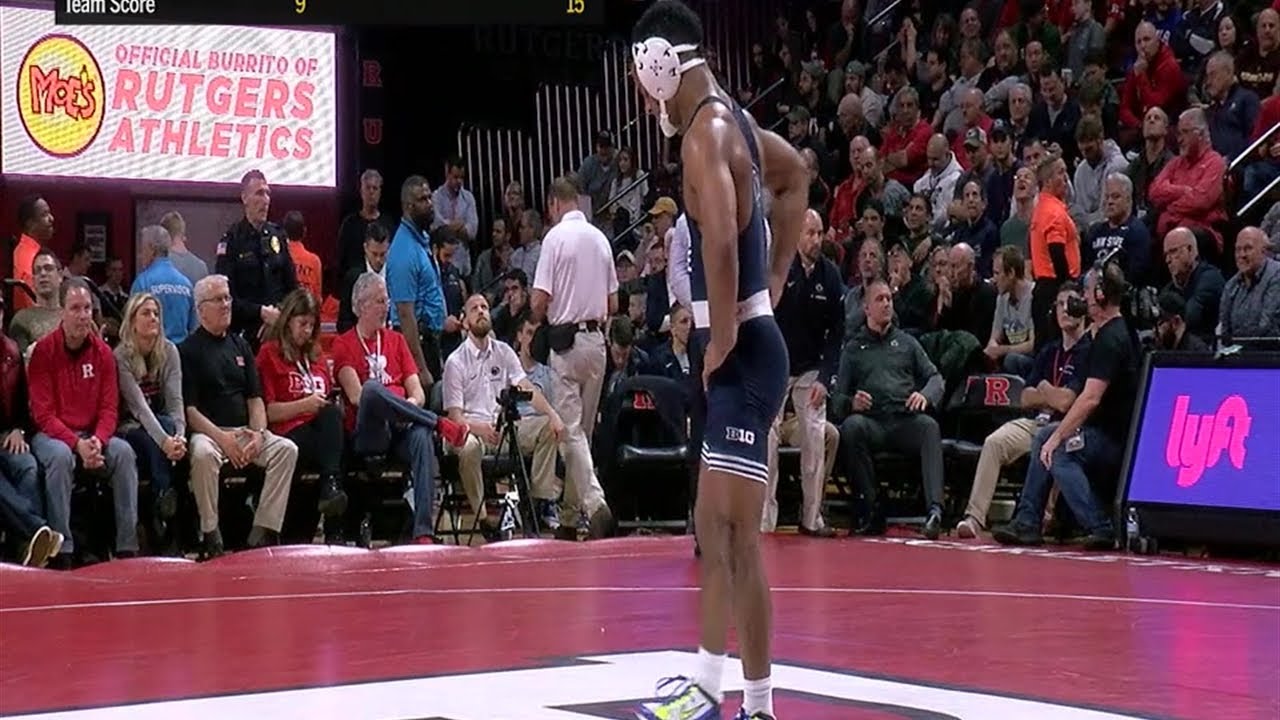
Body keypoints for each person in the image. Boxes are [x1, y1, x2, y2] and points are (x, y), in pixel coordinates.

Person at [631, 2, 809, 718]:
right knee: (714, 530)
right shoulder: (731, 118)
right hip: (746, 341)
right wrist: (779, 279)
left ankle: (759, 705)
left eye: (646, 87)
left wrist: (726, 338)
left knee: (735, 538)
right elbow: (795, 178)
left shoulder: (703, 134)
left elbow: (724, 246)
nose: (650, 105)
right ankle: (708, 688)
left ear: (658, 63)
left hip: (742, 354)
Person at [331, 272, 469, 544]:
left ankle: (423, 532)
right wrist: (402, 408)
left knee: (420, 436)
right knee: (371, 390)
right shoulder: (343, 343)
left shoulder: (396, 341)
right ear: (361, 306)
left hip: (401, 428)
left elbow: (417, 391)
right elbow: (357, 397)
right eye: (380, 301)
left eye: (387, 300)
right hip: (369, 432)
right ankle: (439, 423)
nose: (387, 307)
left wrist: (411, 405)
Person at [29, 278, 139, 565]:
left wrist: (97, 442)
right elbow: (44, 415)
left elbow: (109, 409)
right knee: (60, 458)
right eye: (75, 308)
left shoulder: (103, 353)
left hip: (92, 434)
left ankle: (127, 546)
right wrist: (77, 444)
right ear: (62, 313)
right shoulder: (44, 351)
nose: (82, 315)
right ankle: (62, 548)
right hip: (53, 436)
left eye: (87, 308)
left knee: (124, 453)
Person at [256, 289, 348, 531]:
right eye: (302, 324)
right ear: (287, 322)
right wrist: (304, 405)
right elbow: (268, 412)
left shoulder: (315, 356)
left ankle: (336, 515)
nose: (307, 331)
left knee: (337, 422)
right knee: (331, 430)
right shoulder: (269, 354)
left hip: (320, 434)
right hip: (287, 433)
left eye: (311, 325)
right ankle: (331, 492)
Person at [115, 293, 187, 542]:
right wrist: (166, 442)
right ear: (132, 320)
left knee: (168, 424)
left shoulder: (169, 351)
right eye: (146, 313)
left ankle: (161, 506)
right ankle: (163, 500)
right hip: (130, 427)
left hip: (163, 425)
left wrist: (179, 437)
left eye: (156, 313)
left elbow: (176, 400)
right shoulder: (121, 356)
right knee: (152, 436)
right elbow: (138, 408)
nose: (153, 318)